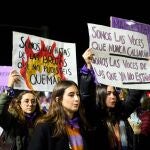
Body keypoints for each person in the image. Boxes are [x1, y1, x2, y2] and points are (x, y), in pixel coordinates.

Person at [79, 48, 144, 150]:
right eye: (108, 93)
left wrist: (143, 70)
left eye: (114, 93)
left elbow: (134, 97)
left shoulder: (120, 112)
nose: (113, 96)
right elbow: (86, 96)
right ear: (101, 95)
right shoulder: (94, 117)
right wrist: (88, 68)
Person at [28, 80, 90, 150]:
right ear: (58, 99)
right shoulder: (45, 126)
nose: (77, 99)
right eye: (71, 95)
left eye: (78, 94)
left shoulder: (82, 124)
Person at [0, 70, 44, 150]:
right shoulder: (12, 119)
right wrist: (9, 87)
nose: (30, 104)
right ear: (20, 104)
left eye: (33, 101)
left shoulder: (43, 119)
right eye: (26, 101)